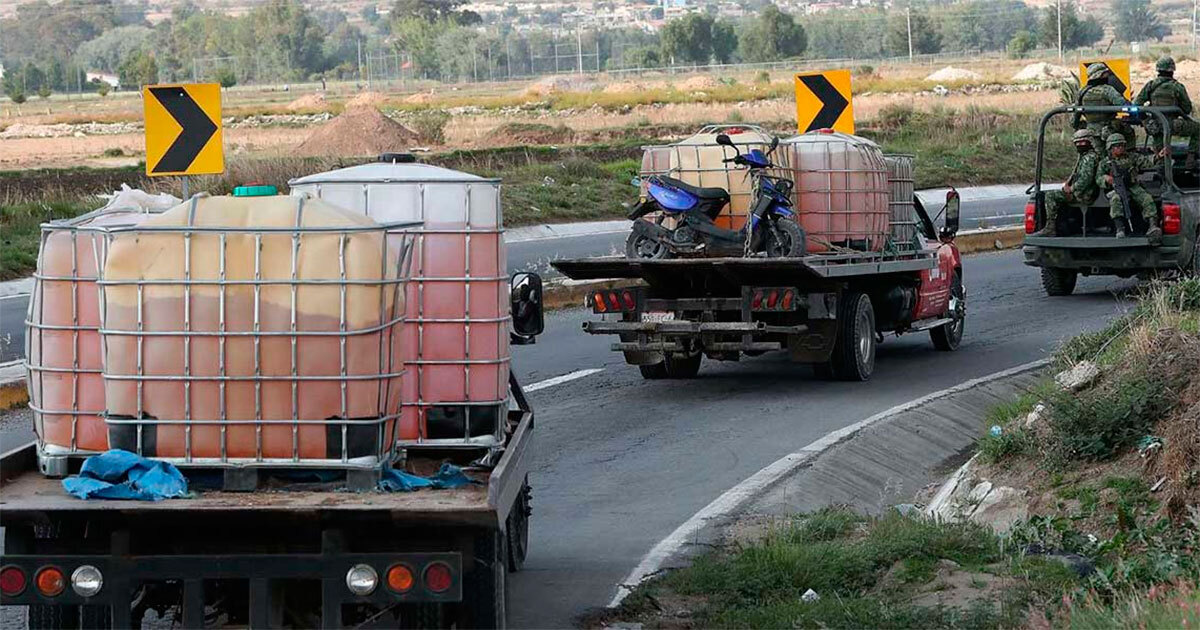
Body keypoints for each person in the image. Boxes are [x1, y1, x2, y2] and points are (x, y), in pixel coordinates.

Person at [1032, 129, 1102, 237]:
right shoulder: (1085, 156)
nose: (1079, 145)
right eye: (1077, 143)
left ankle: (1050, 228)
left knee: (1050, 196)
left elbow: (1085, 180)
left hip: (1084, 194)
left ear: (1090, 141)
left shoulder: (1089, 158)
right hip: (1082, 192)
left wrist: (1071, 189)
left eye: (1082, 142)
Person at [1133, 56, 1199, 170]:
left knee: (1161, 153)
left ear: (1158, 70)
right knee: (1198, 128)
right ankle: (1191, 157)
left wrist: (1146, 121)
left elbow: (1137, 104)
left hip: (1156, 126)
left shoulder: (1150, 85)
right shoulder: (1177, 87)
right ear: (1172, 70)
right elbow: (1187, 108)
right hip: (1174, 125)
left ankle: (1162, 175)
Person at [1096, 134, 1164, 240]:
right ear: (1110, 148)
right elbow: (1098, 178)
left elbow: (1147, 163)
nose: (1120, 148)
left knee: (1147, 199)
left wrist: (1158, 156)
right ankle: (1120, 228)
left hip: (1133, 186)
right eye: (1116, 146)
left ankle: (1152, 226)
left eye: (1122, 145)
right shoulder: (1105, 162)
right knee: (1116, 200)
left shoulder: (1132, 157)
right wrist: (1106, 179)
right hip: (1117, 187)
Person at [1075, 63, 1135, 147]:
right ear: (1100, 75)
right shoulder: (1107, 90)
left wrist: (1080, 125)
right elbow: (1123, 104)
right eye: (1105, 74)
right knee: (1129, 132)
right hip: (1108, 131)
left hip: (1090, 132)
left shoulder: (1082, 91)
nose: (1107, 76)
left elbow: (1075, 116)